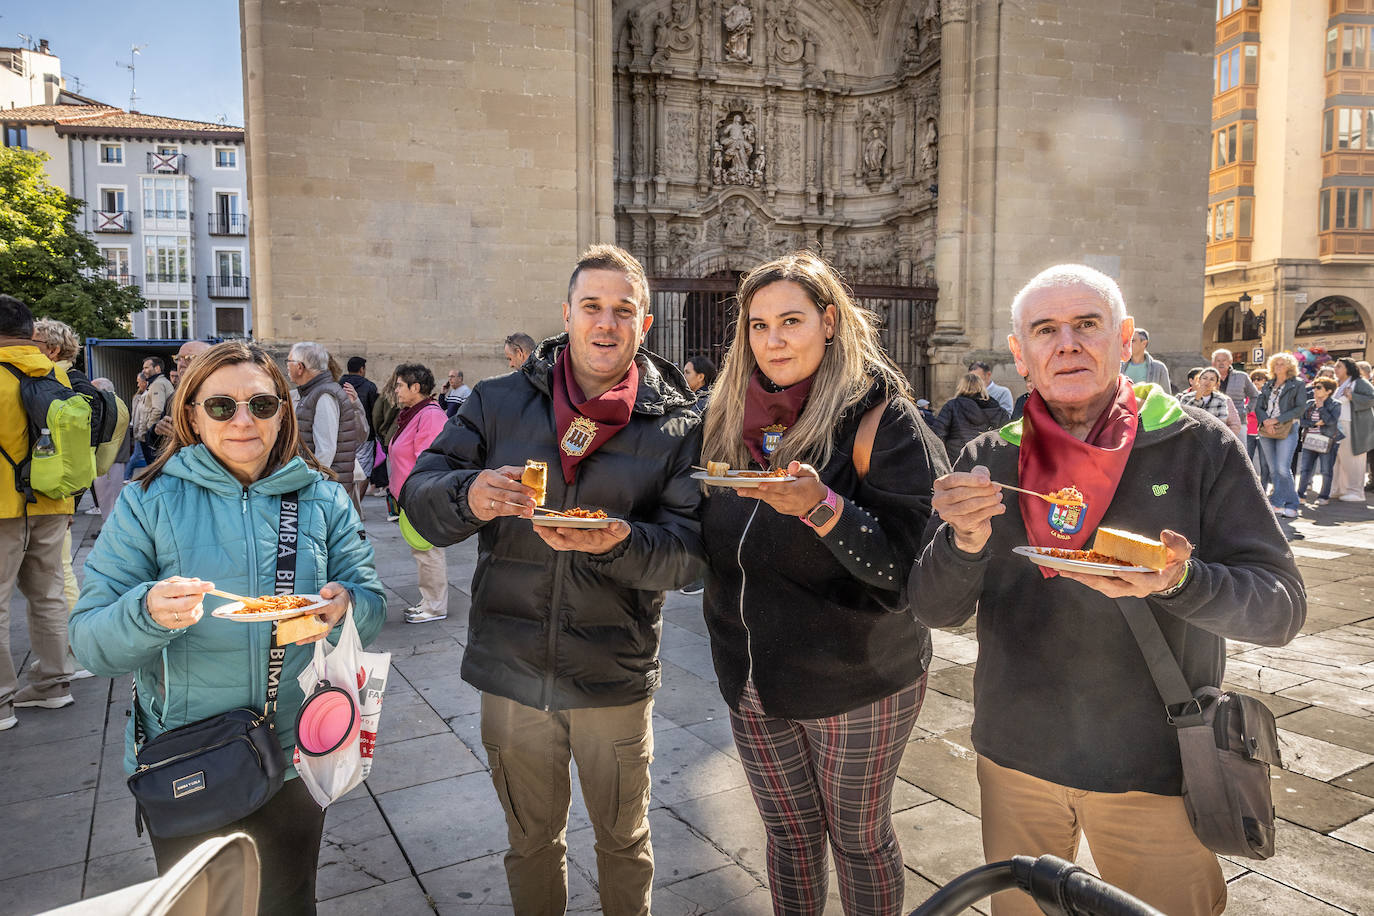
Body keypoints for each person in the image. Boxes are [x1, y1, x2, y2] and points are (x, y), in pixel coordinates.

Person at [910, 264, 1305, 916]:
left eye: (1086, 325)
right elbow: (933, 608)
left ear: (1124, 340)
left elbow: (1281, 608)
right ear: (1020, 353)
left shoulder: (1199, 447)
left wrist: (1180, 581)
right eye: (1045, 330)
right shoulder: (989, 457)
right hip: (1017, 762)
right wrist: (963, 545)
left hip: (1156, 770)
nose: (1066, 343)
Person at [401, 245, 704, 916]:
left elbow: (689, 556)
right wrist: (467, 494)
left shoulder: (678, 426)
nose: (605, 324)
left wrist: (621, 541)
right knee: (531, 842)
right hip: (512, 674)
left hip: (612, 675)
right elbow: (418, 496)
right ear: (566, 314)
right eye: (591, 307)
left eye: (623, 311)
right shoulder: (497, 401)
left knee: (624, 841)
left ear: (644, 325)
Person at [69, 340, 385, 913]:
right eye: (222, 407)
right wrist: (147, 613)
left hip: (295, 753)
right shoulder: (146, 501)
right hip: (189, 757)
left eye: (261, 405)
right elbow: (90, 642)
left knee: (289, 902)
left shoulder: (323, 497)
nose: (243, 421)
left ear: (282, 413)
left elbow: (372, 603)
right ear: (191, 413)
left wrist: (344, 611)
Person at [698, 252, 948, 916]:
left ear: (830, 322)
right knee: (788, 838)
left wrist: (822, 508)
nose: (773, 340)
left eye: (791, 321)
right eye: (757, 326)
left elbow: (907, 568)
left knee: (860, 842)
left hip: (856, 680)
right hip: (752, 677)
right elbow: (705, 540)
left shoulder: (881, 419)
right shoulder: (726, 418)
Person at [0, 296, 79, 726]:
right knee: (47, 594)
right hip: (52, 498)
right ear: (31, 331)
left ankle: (1, 703)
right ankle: (54, 686)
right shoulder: (58, 374)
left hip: (2, 505)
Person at [386, 364, 451, 623]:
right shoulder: (414, 413)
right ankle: (429, 599)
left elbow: (430, 461)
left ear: (416, 387)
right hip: (410, 497)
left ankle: (435, 606)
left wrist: (421, 498)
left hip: (422, 497)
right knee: (421, 550)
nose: (396, 389)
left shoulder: (430, 416)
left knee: (428, 550)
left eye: (400, 385)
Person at [287, 342, 367, 498]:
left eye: (289, 362)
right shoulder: (313, 392)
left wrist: (312, 484)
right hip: (325, 486)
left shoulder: (324, 395)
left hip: (324, 489)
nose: (287, 367)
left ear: (300, 367)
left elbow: (326, 450)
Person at [1255, 352, 1307, 518]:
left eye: (1282, 363)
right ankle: (1277, 503)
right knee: (1273, 470)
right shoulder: (1268, 384)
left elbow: (1299, 408)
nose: (1278, 366)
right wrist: (1265, 422)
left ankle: (1292, 504)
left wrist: (1276, 420)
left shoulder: (1297, 384)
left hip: (1287, 428)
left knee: (1283, 469)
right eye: (1276, 363)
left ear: (1290, 366)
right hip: (1266, 430)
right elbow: (1258, 407)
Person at [930, 372, 1010, 463]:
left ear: (961, 387)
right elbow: (1004, 437)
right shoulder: (998, 410)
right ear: (982, 387)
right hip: (987, 460)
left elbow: (938, 434)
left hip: (956, 458)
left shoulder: (952, 406)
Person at [1329, 356, 1374, 503]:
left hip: (1352, 427)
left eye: (1339, 366)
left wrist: (1352, 396)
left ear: (1348, 368)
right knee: (1337, 460)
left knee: (1352, 460)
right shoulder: (1337, 384)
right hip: (1337, 425)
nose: (1335, 369)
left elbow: (1372, 398)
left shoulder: (1359, 382)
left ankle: (1355, 491)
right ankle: (1338, 489)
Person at [339, 356, 380, 504]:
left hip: (342, 434)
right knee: (364, 472)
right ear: (362, 369)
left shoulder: (338, 385)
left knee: (344, 470)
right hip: (365, 435)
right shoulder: (370, 386)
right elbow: (375, 411)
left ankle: (345, 503)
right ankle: (356, 505)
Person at [1298, 377, 1342, 506]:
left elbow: (1331, 422)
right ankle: (1300, 494)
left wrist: (1322, 408)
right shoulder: (1309, 403)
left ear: (1328, 391)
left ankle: (1324, 496)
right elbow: (1301, 421)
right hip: (1309, 440)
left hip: (1327, 441)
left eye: (1318, 387)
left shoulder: (1335, 404)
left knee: (1326, 470)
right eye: (1314, 387)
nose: (1315, 390)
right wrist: (1315, 423)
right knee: (1305, 469)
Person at [1177, 367, 1242, 439]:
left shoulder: (1221, 399)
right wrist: (1197, 399)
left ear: (1216, 384)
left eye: (1212, 379)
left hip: (1212, 438)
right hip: (1190, 437)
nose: (1207, 382)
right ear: (1199, 380)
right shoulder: (1186, 398)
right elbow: (1184, 419)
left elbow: (1221, 422)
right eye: (1204, 378)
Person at [139, 355, 175, 462]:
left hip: (153, 436)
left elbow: (157, 409)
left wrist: (150, 432)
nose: (143, 371)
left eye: (146, 368)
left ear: (157, 368)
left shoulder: (157, 384)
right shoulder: (158, 383)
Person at [1212, 347, 1259, 422]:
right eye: (1218, 360)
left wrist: (1246, 411)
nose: (1221, 363)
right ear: (1213, 363)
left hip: (1238, 420)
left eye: (1224, 360)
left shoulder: (1242, 376)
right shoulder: (1208, 378)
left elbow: (1255, 396)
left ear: (1230, 361)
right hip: (1215, 420)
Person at [1120, 327, 1171, 392]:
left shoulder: (1159, 368)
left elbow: (1166, 396)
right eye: (1127, 341)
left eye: (1132, 341)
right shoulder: (1119, 367)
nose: (1128, 344)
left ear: (1144, 343)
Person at [1247, 367, 1271, 487]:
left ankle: (1264, 487)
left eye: (1259, 379)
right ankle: (1249, 486)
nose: (1256, 381)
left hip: (1264, 432)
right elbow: (1246, 412)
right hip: (1249, 432)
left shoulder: (1269, 396)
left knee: (1264, 463)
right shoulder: (1247, 395)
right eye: (1253, 379)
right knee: (1247, 460)